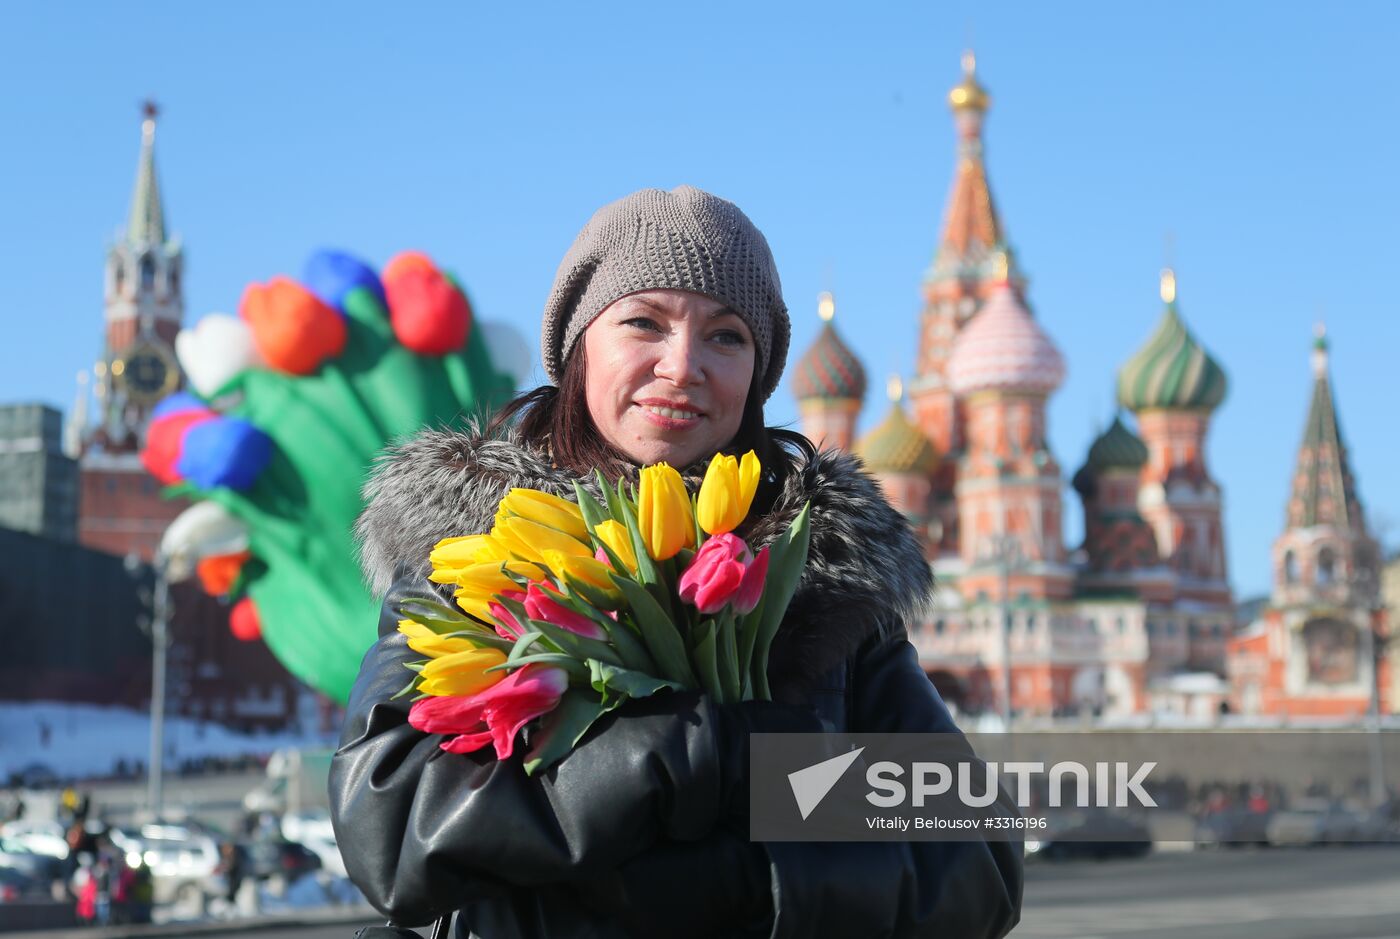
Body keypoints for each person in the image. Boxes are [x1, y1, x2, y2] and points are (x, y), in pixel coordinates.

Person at [331, 185, 1024, 937]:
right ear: (577, 345)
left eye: (726, 336)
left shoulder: (825, 580)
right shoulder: (473, 557)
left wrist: (747, 885)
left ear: (756, 373)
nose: (682, 364)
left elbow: (974, 867)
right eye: (643, 322)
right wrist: (690, 754)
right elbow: (393, 830)